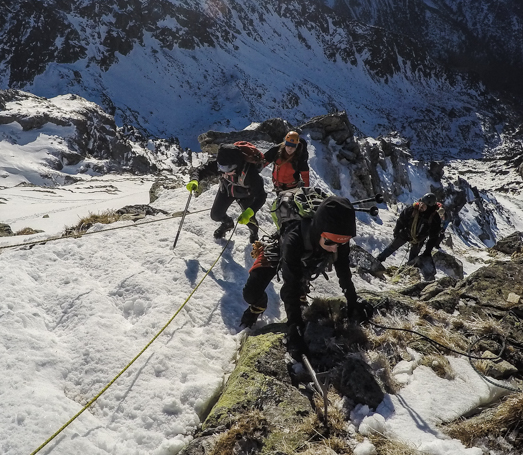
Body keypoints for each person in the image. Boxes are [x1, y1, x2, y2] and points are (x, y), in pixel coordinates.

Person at [241, 193, 367, 355]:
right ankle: (257, 305)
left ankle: (301, 297)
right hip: (283, 250)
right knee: (251, 294)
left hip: (308, 258)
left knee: (299, 288)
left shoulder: (336, 236)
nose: (335, 248)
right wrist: (295, 327)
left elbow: (343, 270)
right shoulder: (294, 239)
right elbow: (289, 285)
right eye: (330, 242)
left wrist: (352, 300)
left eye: (341, 243)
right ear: (319, 230)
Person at [189, 143, 267, 242]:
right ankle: (227, 223)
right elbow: (201, 170)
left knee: (250, 220)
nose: (224, 172)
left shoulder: (251, 173)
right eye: (221, 168)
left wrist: (250, 211)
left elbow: (261, 196)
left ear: (237, 165)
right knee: (216, 215)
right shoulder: (222, 164)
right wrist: (195, 179)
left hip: (246, 195)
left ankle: (254, 233)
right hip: (227, 190)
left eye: (227, 169)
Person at [376, 193, 444, 265]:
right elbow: (402, 219)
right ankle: (378, 260)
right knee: (392, 247)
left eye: (424, 205)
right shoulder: (413, 209)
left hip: (418, 239)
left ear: (429, 207)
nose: (421, 206)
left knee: (413, 258)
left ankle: (408, 271)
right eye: (421, 203)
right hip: (406, 232)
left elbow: (434, 236)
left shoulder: (434, 218)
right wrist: (397, 231)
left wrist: (427, 251)